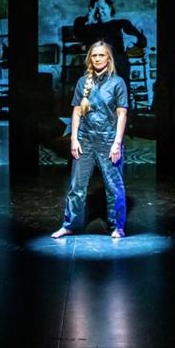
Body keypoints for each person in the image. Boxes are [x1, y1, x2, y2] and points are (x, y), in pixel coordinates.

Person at [51, 41, 128, 239]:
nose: (97, 59)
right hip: (85, 140)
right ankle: (70, 225)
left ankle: (117, 226)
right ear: (90, 59)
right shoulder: (83, 82)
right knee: (77, 187)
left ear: (109, 58)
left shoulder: (117, 83)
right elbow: (76, 113)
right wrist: (74, 139)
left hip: (108, 141)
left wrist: (117, 143)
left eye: (102, 55)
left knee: (114, 187)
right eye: (94, 56)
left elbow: (122, 115)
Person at [73, 0, 146, 108]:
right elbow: (77, 33)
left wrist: (132, 39)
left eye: (103, 8)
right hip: (95, 74)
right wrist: (89, 17)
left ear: (110, 7)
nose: (99, 11)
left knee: (119, 107)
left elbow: (142, 42)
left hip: (118, 71)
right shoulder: (89, 26)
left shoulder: (121, 24)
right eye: (96, 8)